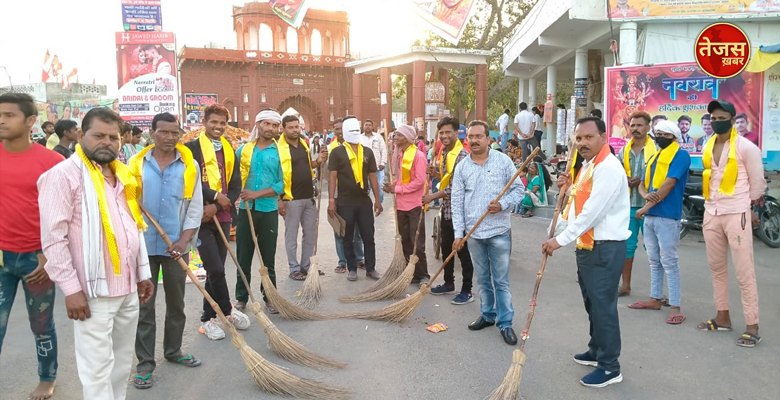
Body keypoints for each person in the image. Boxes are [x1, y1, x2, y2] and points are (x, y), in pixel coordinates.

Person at [38, 107, 155, 399]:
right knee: (97, 369)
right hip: (93, 292)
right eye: (98, 135)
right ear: (80, 136)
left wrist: (143, 274)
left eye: (113, 137)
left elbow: (132, 227)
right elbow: (54, 240)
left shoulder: (121, 174)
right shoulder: (63, 176)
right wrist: (71, 289)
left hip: (127, 288)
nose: (107, 142)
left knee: (120, 364)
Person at [542, 117, 630, 388]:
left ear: (603, 137)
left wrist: (560, 240)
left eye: (588, 137)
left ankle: (609, 366)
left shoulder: (608, 168)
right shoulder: (589, 167)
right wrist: (556, 226)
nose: (582, 143)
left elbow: (592, 213)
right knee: (592, 303)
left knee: (603, 307)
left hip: (605, 248)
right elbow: (576, 207)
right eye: (578, 138)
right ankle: (596, 350)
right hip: (588, 247)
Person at [128, 112, 203, 389]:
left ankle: (173, 351)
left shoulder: (189, 165)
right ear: (152, 133)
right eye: (164, 132)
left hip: (176, 247)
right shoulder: (135, 164)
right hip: (143, 247)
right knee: (144, 307)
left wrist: (184, 241)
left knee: (177, 304)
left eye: (175, 133)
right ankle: (145, 363)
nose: (170, 138)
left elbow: (194, 208)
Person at [0, 93, 64, 400]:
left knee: (41, 324)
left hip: (38, 260)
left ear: (30, 121)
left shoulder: (52, 163)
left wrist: (49, 254)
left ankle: (46, 377)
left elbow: (64, 216)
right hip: (1, 257)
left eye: (9, 115)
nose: (1, 120)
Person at [696, 100, 766, 348]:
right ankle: (722, 317)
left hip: (737, 213)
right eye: (713, 118)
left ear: (732, 119)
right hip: (711, 211)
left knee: (744, 272)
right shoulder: (708, 144)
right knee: (716, 269)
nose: (716, 122)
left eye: (721, 117)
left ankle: (752, 326)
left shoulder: (746, 147)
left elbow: (758, 183)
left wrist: (751, 208)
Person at [452, 120, 523, 345]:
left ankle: (506, 323)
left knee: (500, 280)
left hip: (499, 231)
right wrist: (458, 233)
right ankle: (487, 314)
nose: (474, 140)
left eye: (478, 136)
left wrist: (501, 205)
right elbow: (456, 201)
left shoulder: (503, 161)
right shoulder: (462, 167)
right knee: (482, 279)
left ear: (488, 139)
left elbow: (519, 189)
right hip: (474, 233)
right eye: (470, 137)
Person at [184, 104, 250, 332]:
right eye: (214, 122)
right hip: (200, 218)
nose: (218, 127)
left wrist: (221, 202)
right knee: (216, 269)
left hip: (222, 216)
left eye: (222, 123)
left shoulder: (228, 149)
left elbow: (235, 184)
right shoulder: (191, 148)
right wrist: (213, 197)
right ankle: (226, 310)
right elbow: (188, 180)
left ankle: (209, 317)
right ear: (205, 122)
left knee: (216, 269)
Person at [630, 120, 691, 325]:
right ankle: (655, 298)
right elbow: (643, 184)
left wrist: (645, 206)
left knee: (670, 262)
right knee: (654, 261)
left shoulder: (680, 155)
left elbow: (669, 184)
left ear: (674, 137)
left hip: (667, 216)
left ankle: (675, 306)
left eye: (665, 134)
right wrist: (646, 196)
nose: (660, 137)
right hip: (651, 216)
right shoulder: (655, 156)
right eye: (658, 133)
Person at [235, 109, 284, 312]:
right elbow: (234, 178)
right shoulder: (244, 150)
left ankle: (269, 297)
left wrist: (257, 194)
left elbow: (282, 183)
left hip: (268, 210)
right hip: (245, 210)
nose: (270, 129)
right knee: (243, 257)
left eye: (274, 125)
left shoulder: (281, 152)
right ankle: (241, 297)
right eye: (267, 124)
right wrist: (240, 192)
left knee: (267, 258)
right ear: (258, 125)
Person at [424, 117, 475, 304]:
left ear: (456, 133)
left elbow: (455, 188)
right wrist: (435, 174)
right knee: (446, 248)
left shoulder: (461, 156)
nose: (444, 136)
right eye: (442, 133)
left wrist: (432, 196)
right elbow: (447, 178)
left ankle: (467, 290)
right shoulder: (445, 152)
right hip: (446, 210)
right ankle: (448, 283)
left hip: (460, 212)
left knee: (462, 251)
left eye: (448, 132)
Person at [327, 116, 382, 282]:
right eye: (351, 130)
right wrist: (331, 200)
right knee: (347, 236)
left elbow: (373, 177)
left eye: (356, 130)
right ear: (343, 132)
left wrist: (378, 200)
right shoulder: (337, 152)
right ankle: (351, 268)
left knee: (368, 236)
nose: (354, 133)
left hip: (364, 200)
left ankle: (371, 268)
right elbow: (332, 177)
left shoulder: (367, 151)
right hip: (345, 201)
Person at [278, 115, 328, 281]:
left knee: (310, 233)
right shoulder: (279, 148)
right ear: (283, 129)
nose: (295, 130)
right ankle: (294, 268)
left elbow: (307, 166)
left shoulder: (304, 145)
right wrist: (280, 199)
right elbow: (276, 175)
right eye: (291, 127)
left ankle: (306, 266)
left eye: (297, 127)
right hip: (290, 198)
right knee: (291, 235)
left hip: (309, 196)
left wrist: (318, 161)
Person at [383, 124, 429, 285]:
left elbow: (419, 181)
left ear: (408, 138)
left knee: (416, 240)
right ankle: (410, 272)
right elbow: (403, 180)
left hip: (415, 205)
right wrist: (392, 185)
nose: (396, 138)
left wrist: (398, 188)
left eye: (399, 135)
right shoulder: (401, 154)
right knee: (405, 241)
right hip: (401, 205)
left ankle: (422, 274)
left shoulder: (418, 156)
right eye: (395, 135)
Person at [616, 111, 655, 297]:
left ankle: (657, 292)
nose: (635, 129)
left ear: (648, 128)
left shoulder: (656, 150)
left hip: (651, 207)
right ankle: (625, 286)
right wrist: (626, 179)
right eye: (632, 125)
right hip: (629, 206)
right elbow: (615, 173)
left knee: (654, 249)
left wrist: (642, 179)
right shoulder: (624, 151)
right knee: (627, 248)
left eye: (639, 125)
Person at [329, 119, 366, 273]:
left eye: (341, 129)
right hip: (338, 194)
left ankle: (359, 259)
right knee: (340, 229)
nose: (339, 131)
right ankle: (342, 261)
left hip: (355, 195)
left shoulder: (360, 147)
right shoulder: (331, 148)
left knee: (356, 230)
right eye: (336, 129)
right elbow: (327, 175)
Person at [360, 119, 387, 209]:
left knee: (380, 188)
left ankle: (379, 202)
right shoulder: (359, 138)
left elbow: (383, 150)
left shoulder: (378, 137)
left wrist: (383, 162)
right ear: (363, 126)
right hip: (364, 168)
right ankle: (366, 206)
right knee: (365, 189)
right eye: (366, 124)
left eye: (369, 125)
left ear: (372, 127)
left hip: (377, 168)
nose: (367, 126)